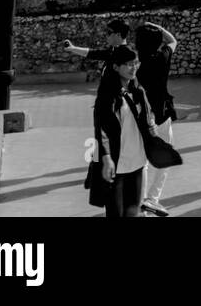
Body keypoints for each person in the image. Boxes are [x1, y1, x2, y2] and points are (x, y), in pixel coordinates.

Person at [91, 44, 159, 218]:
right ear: (115, 67)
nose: (133, 67)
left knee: (132, 212)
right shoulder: (107, 95)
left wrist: (151, 125)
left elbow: (148, 116)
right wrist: (106, 158)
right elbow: (101, 129)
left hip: (137, 161)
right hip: (117, 164)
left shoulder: (138, 91)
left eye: (136, 63)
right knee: (116, 213)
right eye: (128, 64)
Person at [134, 22, 178, 217]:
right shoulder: (162, 57)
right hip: (161, 115)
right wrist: (158, 27)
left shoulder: (134, 63)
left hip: (141, 118)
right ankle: (152, 198)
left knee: (141, 162)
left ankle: (140, 202)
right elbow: (173, 40)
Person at [63, 18, 131, 79]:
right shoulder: (115, 51)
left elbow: (94, 53)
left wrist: (73, 48)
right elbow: (94, 53)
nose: (106, 35)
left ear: (118, 35)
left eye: (109, 32)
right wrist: (73, 48)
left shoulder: (121, 54)